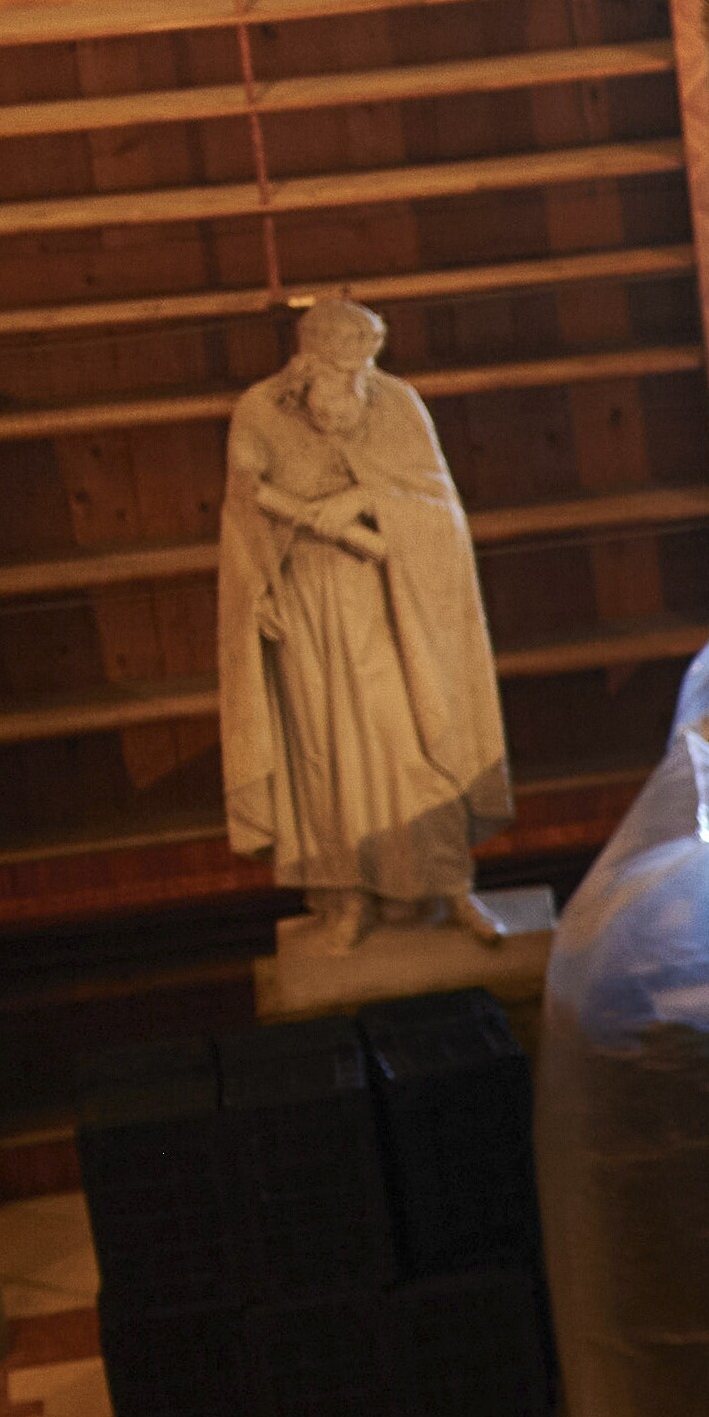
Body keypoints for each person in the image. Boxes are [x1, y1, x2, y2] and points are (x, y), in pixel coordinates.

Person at [218, 291, 511, 951]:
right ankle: (344, 899)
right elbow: (244, 500)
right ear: (305, 363)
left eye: (362, 370)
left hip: (392, 602)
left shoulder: (396, 403)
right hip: (307, 604)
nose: (352, 385)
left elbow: (438, 508)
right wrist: (266, 572)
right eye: (338, 371)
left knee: (410, 739)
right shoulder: (262, 409)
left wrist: (362, 499)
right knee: (325, 753)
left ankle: (450, 885)